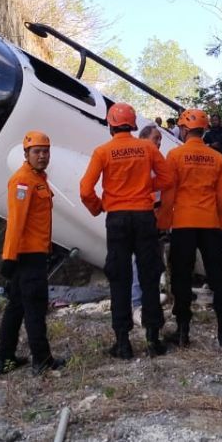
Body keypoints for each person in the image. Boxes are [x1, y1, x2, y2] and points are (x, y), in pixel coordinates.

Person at [80, 102, 175, 359]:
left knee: (119, 278)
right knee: (149, 276)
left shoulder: (103, 151)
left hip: (118, 220)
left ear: (111, 124)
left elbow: (85, 190)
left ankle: (123, 343)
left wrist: (98, 207)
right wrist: (145, 186)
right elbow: (167, 180)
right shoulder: (147, 148)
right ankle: (154, 339)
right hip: (144, 218)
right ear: (133, 125)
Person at [158, 109, 222, 348]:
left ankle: (183, 331)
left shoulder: (175, 155)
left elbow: (168, 195)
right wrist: (221, 224)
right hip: (210, 222)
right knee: (218, 276)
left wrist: (163, 224)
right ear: (204, 130)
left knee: (181, 276)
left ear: (183, 129)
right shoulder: (217, 158)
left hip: (183, 223)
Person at [0, 131, 67, 376]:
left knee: (16, 307)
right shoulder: (23, 181)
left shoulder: (38, 179)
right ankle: (42, 359)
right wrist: (9, 257)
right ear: (26, 154)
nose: (42, 156)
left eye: (45, 151)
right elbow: (16, 222)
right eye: (37, 151)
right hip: (27, 257)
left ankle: (4, 359)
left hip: (34, 253)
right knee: (35, 308)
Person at [131, 124, 166, 319]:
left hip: (155, 220)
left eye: (160, 140)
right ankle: (137, 303)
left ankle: (146, 299)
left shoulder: (153, 160)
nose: (159, 143)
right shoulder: (140, 159)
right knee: (139, 262)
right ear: (144, 138)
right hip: (141, 217)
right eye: (156, 139)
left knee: (153, 263)